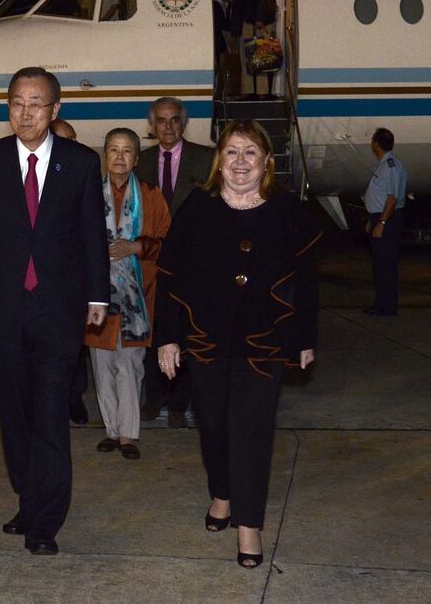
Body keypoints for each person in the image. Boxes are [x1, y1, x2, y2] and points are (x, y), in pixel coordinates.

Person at [0, 67, 109, 556]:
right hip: (2, 311)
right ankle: (28, 496)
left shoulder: (81, 163)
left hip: (59, 312)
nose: (26, 112)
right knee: (15, 412)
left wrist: (98, 297)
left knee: (49, 413)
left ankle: (46, 520)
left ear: (55, 109)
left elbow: (91, 236)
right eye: (17, 102)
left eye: (36, 103)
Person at [155, 118, 321, 569]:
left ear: (266, 160)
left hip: (264, 342)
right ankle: (221, 493)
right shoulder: (198, 208)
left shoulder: (289, 210)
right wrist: (167, 337)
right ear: (219, 160)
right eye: (232, 152)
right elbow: (169, 275)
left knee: (251, 431)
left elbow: (306, 280)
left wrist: (304, 337)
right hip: (206, 339)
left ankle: (249, 526)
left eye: (251, 152)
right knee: (213, 426)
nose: (241, 162)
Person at [84, 128, 170, 460]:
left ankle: (128, 435)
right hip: (97, 294)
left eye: (128, 151)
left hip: (138, 292)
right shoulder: (89, 192)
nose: (120, 157)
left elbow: (169, 243)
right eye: (114, 150)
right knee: (102, 362)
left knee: (130, 364)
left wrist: (136, 246)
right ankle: (110, 429)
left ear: (137, 157)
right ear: (105, 155)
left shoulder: (151, 195)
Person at [134, 97, 214, 428]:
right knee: (154, 330)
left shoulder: (208, 158)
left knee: (188, 330)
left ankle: (181, 403)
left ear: (183, 123)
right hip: (152, 262)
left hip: (194, 262)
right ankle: (155, 397)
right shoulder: (141, 161)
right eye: (162, 121)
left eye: (174, 120)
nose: (168, 126)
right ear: (153, 126)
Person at [49, 117, 90, 425]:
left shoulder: (82, 171)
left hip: (73, 277)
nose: (72, 145)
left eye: (74, 139)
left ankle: (74, 397)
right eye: (65, 139)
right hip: (38, 279)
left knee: (73, 345)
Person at [363, 127, 407, 316]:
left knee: (386, 265)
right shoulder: (383, 164)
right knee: (379, 265)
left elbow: (392, 198)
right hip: (380, 217)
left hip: (387, 219)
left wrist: (381, 223)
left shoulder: (390, 165)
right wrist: (372, 219)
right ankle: (380, 304)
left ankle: (388, 307)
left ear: (376, 144)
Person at [228, 0, 272, 96]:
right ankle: (247, 90)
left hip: (258, 22)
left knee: (259, 55)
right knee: (246, 56)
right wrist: (234, 31)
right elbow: (235, 8)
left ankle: (262, 91)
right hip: (244, 23)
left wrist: (259, 19)